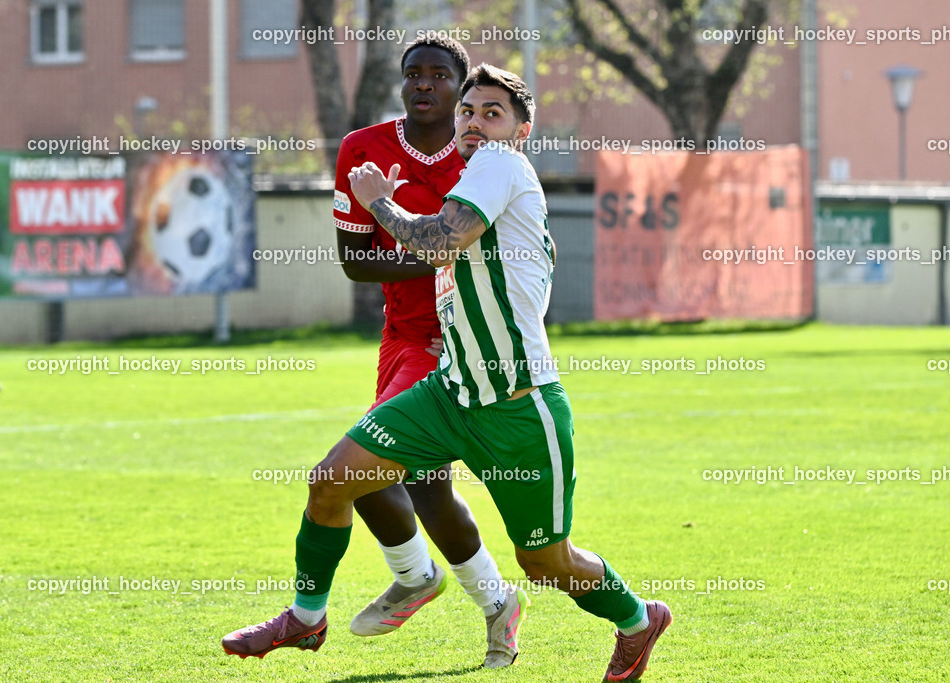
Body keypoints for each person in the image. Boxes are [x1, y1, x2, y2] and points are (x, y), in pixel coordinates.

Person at [223, 64, 671, 680]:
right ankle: (307, 617)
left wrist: (379, 197)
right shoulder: (480, 179)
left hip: (517, 405)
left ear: (522, 130)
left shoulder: (501, 166)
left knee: (546, 562)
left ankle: (639, 619)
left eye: (493, 113)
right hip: (450, 392)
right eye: (467, 111)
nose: (474, 122)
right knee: (331, 481)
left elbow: (436, 245)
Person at [222, 38, 519, 668]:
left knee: (356, 472)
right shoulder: (363, 150)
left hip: (458, 337)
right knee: (419, 482)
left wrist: (440, 248)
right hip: (402, 336)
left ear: (464, 91)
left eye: (441, 76)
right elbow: (356, 262)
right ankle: (480, 595)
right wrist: (437, 248)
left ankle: (354, 601)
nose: (425, 85)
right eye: (414, 74)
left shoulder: (488, 158)